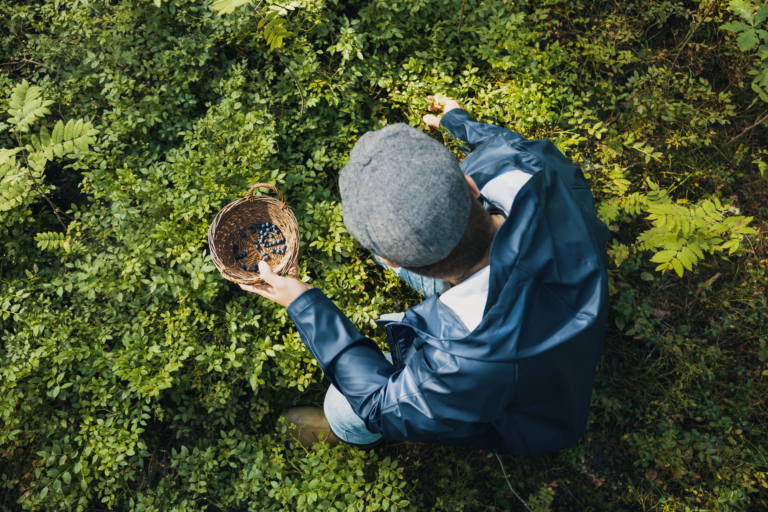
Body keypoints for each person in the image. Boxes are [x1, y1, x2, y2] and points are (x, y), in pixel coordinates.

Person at [240, 96, 610, 454]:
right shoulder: (533, 171)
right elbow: (505, 144)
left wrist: (304, 304)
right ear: (470, 185)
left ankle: (343, 431)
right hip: (569, 291)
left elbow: (380, 405)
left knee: (345, 406)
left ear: (391, 262)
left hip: (535, 420)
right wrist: (457, 119)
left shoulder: (462, 361)